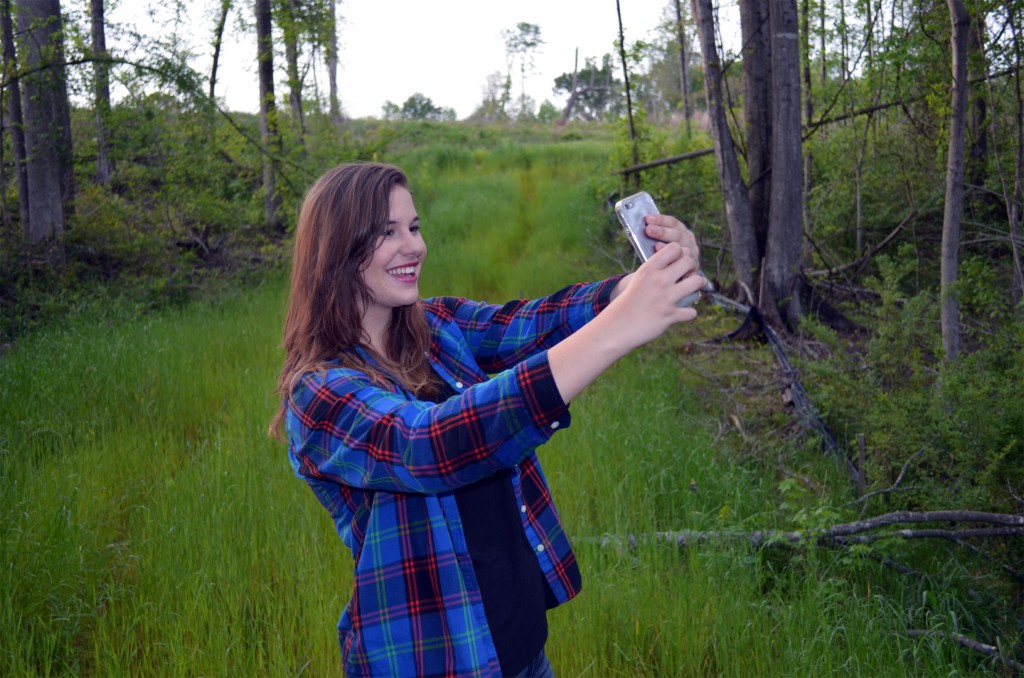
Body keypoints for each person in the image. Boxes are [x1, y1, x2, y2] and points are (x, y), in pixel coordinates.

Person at [270, 162, 706, 677]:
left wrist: (634, 288)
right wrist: (621, 325)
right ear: (335, 250)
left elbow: (533, 322)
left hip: (520, 651)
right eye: (387, 232)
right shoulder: (320, 394)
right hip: (433, 661)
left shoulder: (438, 326)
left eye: (414, 227)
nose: (413, 246)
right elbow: (431, 445)